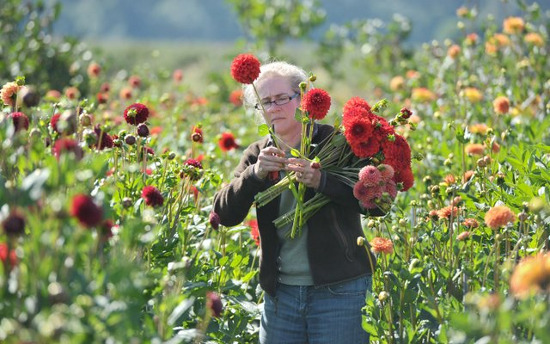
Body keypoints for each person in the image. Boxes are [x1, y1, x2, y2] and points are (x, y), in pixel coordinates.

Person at [213, 61, 382, 344]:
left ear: (302, 99)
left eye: (281, 98)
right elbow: (223, 214)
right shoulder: (258, 154)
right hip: (281, 295)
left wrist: (322, 182)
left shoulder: (337, 143)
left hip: (340, 290)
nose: (274, 107)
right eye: (265, 102)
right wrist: (255, 175)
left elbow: (376, 203)